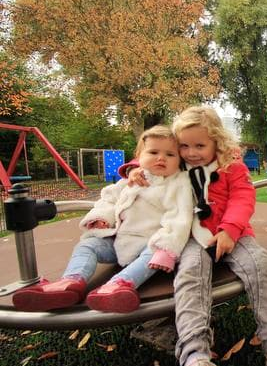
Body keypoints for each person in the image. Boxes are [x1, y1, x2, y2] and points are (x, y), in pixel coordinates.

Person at [124, 106, 267, 366]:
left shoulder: (231, 167)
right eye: (184, 145)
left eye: (200, 145)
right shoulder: (178, 165)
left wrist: (230, 230)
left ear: (217, 143)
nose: (191, 152)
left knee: (259, 264)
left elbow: (242, 197)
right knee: (189, 276)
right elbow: (152, 159)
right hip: (192, 236)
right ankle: (195, 358)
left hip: (233, 233)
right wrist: (133, 170)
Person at [12, 125, 193, 313]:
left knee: (155, 250)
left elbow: (179, 218)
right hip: (118, 242)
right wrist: (101, 218)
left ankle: (120, 284)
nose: (161, 158)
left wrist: (166, 248)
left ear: (179, 160)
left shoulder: (178, 185)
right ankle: (71, 281)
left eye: (170, 155)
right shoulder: (127, 181)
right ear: (139, 156)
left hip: (147, 243)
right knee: (87, 245)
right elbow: (107, 200)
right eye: (153, 152)